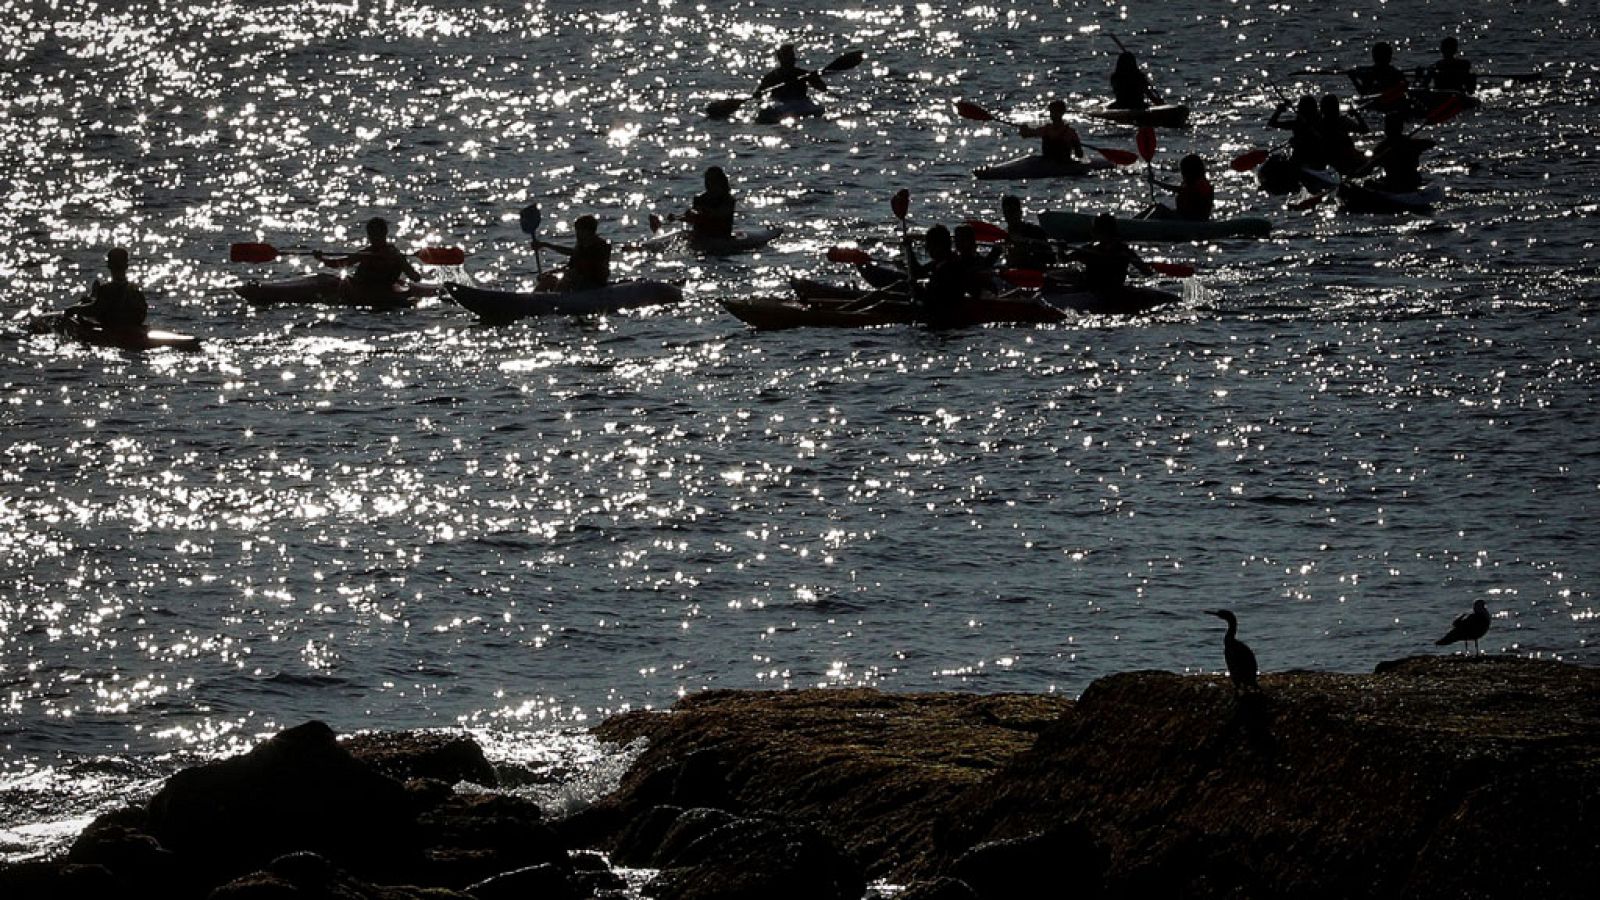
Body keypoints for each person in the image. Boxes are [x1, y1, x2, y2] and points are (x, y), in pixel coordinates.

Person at [314, 216, 421, 295]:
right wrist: (322, 259)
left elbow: (415, 277)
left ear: (384, 234)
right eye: (371, 235)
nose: (373, 238)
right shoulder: (368, 253)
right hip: (367, 289)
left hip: (375, 292)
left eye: (375, 235)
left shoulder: (395, 256)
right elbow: (342, 263)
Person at [1061, 214, 1153, 292]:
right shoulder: (1090, 250)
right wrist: (1061, 248)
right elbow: (1064, 259)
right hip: (1103, 290)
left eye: (1094, 230)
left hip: (1100, 291)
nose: (1092, 233)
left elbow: (1147, 272)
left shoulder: (1122, 251)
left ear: (1101, 232)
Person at [64, 247, 148, 331]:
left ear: (109, 265)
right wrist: (93, 298)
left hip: (114, 331)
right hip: (132, 330)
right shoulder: (135, 289)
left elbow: (94, 310)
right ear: (126, 266)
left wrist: (74, 309)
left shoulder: (107, 289)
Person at [533, 215, 611, 293]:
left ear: (589, 231)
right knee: (549, 279)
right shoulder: (580, 246)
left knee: (570, 276)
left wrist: (547, 245)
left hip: (594, 284)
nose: (577, 234)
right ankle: (534, 298)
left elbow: (576, 255)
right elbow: (570, 266)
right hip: (578, 283)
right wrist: (549, 273)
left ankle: (556, 299)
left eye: (580, 231)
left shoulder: (601, 246)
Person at [1367, 111, 1432, 192]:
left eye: (1388, 126)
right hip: (1401, 182)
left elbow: (1431, 143)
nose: (1386, 129)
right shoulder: (1383, 148)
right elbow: (1370, 166)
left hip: (1403, 183)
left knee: (1370, 183)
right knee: (1369, 183)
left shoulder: (1410, 143)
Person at [1268, 95, 1331, 172]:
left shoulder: (1320, 123)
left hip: (1313, 159)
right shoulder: (1299, 123)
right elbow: (1272, 123)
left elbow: (1272, 123)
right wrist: (1279, 110)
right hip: (1304, 160)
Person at [1145, 153, 1214, 221]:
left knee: (1160, 209)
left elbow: (1180, 190)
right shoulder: (1189, 184)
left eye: (1183, 171)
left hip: (1193, 222)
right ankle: (1137, 222)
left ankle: (1142, 226)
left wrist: (1155, 182)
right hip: (1185, 219)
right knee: (1153, 207)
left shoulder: (1202, 184)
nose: (1182, 174)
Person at [998, 195, 1058, 270]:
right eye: (1007, 213)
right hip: (1014, 274)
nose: (1010, 216)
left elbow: (1052, 260)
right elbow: (990, 261)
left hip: (1034, 272)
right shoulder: (1003, 236)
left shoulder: (1035, 232)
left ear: (1020, 213)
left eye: (1013, 212)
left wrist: (1029, 249)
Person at [1319, 94, 1370, 175]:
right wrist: (1357, 115)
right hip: (1345, 159)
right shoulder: (1343, 121)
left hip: (1331, 159)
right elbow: (1365, 130)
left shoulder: (1319, 123)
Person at [757, 44, 825, 105]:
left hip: (801, 104)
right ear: (780, 59)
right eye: (788, 57)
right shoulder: (771, 77)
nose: (791, 59)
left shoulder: (803, 74)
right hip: (780, 105)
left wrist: (815, 78)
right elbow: (758, 93)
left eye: (792, 56)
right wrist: (758, 94)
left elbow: (823, 88)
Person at [684, 166, 735, 241]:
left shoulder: (728, 200)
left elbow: (721, 213)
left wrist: (704, 213)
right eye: (707, 180)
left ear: (721, 182)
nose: (709, 184)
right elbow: (694, 212)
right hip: (701, 236)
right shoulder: (699, 199)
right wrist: (690, 214)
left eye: (713, 181)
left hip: (721, 237)